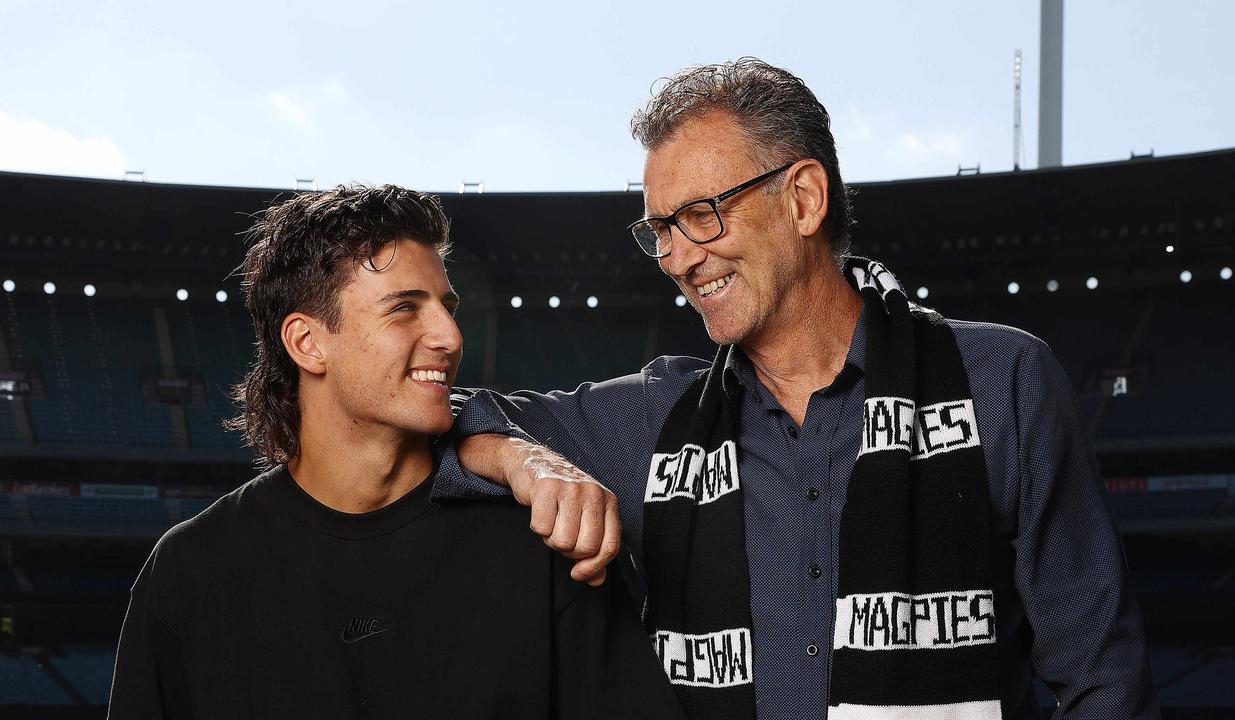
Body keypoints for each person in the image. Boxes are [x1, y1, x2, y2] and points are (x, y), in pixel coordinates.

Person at [453, 59, 1160, 719]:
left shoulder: (1003, 381)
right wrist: (524, 458)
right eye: (660, 230)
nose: (678, 259)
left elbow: (1103, 683)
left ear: (804, 198)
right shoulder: (650, 420)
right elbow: (434, 414)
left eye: (702, 214)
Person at [107, 185, 685, 719]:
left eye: (446, 306)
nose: (451, 337)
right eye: (404, 307)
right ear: (308, 343)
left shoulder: (544, 543)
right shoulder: (190, 572)